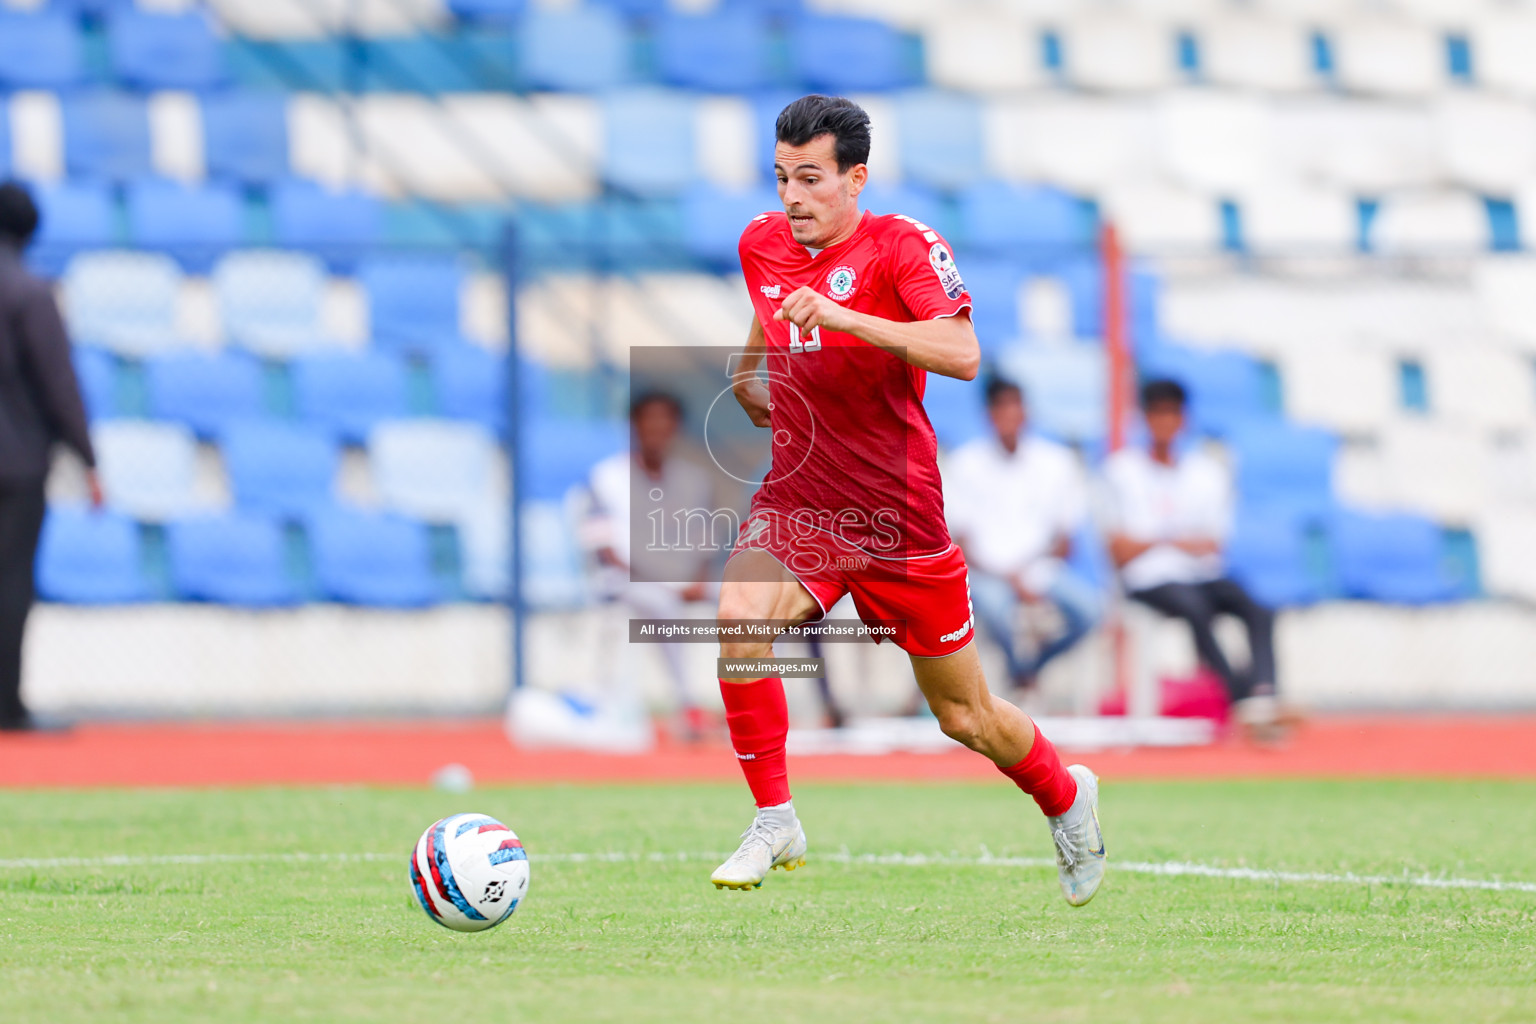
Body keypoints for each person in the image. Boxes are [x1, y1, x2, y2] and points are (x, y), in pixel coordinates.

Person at [707, 95, 1105, 905]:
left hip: (900, 520)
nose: (792, 196)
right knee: (739, 617)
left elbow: (961, 352)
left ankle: (1067, 799)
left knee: (966, 718)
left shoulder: (903, 247)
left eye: (810, 178)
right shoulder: (761, 242)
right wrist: (748, 374)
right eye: (782, 177)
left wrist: (845, 316)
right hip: (804, 502)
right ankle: (775, 817)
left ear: (856, 178)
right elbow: (771, 314)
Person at [1102, 378, 1285, 736]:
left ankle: (1264, 694)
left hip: (1200, 575)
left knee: (1258, 609)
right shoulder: (1120, 472)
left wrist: (1153, 539)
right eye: (1158, 414)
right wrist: (1177, 540)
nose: (1165, 422)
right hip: (1148, 579)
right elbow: (1120, 552)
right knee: (1194, 608)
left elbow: (1214, 544)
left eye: (1172, 414)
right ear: (1144, 418)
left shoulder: (1206, 472)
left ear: (1183, 419)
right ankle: (1239, 699)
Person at [0, 181, 102, 732]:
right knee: (10, 583)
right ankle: (6, 705)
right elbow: (58, 385)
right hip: (15, 466)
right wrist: (88, 458)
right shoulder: (29, 294)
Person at [945, 378, 1100, 700]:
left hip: (1041, 571)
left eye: (1015, 406)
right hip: (987, 574)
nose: (1009, 415)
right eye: (1001, 407)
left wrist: (1027, 573)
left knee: (1091, 612)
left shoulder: (1056, 462)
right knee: (996, 611)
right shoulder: (965, 464)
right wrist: (1008, 576)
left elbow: (1065, 541)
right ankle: (1021, 675)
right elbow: (962, 543)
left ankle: (1028, 669)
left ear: (1027, 411)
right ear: (989, 414)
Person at [587, 392, 718, 740]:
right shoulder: (606, 477)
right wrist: (669, 583)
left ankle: (763, 698)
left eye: (666, 420)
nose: (657, 429)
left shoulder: (694, 480)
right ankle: (688, 705)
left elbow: (704, 543)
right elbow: (606, 551)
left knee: (757, 602)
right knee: (663, 604)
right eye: (649, 420)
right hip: (629, 582)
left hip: (686, 582)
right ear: (634, 426)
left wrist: (698, 580)